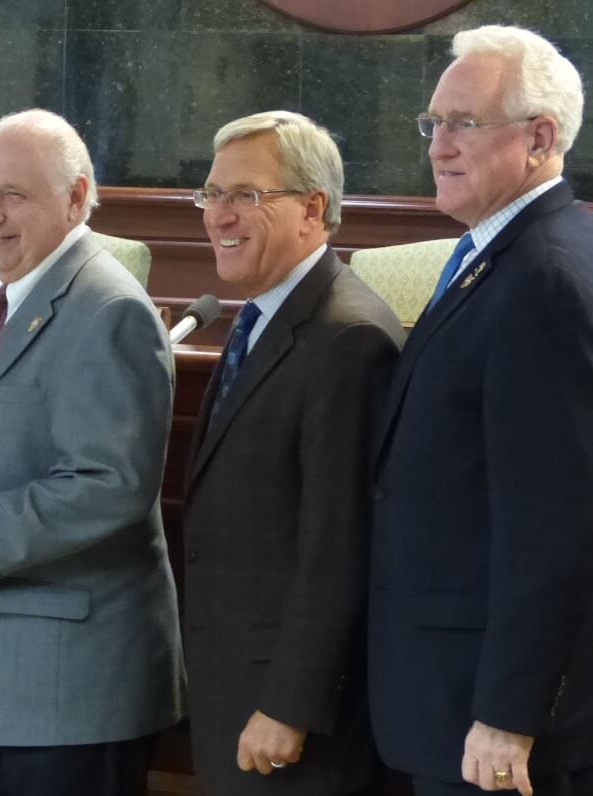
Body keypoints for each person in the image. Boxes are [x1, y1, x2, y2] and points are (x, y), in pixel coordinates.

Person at [0, 109, 185, 796]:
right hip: (17, 687)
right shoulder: (10, 297)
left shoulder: (108, 309)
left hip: (70, 692)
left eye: (14, 194)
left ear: (77, 197)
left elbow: (109, 485)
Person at [369, 25, 593, 796]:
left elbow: (555, 520)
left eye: (464, 122)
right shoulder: (493, 258)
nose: (438, 145)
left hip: (493, 726)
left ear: (539, 138)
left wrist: (510, 709)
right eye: (434, 123)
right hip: (445, 700)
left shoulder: (545, 277)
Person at [182, 111, 403, 795]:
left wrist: (289, 704)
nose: (219, 216)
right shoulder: (258, 315)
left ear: (313, 208)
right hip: (234, 692)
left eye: (245, 196)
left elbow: (339, 547)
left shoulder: (347, 337)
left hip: (289, 723)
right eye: (211, 195)